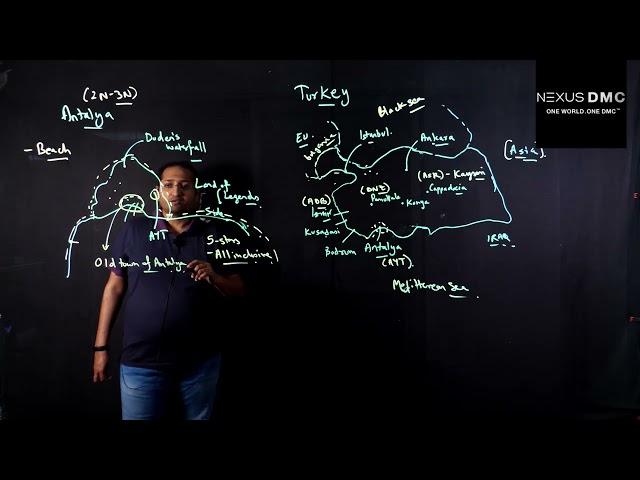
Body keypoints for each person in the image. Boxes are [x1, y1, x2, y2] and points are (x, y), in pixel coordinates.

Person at [92, 160, 246, 420]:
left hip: (200, 363)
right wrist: (100, 348)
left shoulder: (217, 233)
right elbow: (114, 288)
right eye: (169, 185)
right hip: (141, 362)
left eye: (184, 186)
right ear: (157, 191)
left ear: (197, 194)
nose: (176, 192)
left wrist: (216, 277)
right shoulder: (134, 230)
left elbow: (239, 289)